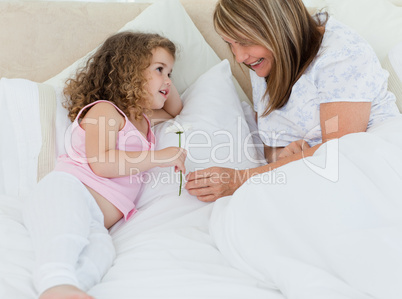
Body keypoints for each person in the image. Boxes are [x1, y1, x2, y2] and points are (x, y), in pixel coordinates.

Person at [22, 31, 186, 299]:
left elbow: (172, 110)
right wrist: (158, 157)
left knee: (102, 251)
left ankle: (75, 289)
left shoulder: (144, 120)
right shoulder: (106, 111)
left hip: (97, 220)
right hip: (67, 190)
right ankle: (55, 283)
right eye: (159, 69)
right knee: (64, 236)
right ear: (130, 71)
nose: (168, 79)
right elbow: (101, 163)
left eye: (171, 73)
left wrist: (164, 80)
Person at [185, 0, 400, 202]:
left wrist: (240, 180)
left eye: (244, 42)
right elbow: (270, 146)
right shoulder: (264, 61)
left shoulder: (341, 56)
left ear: (278, 27)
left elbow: (340, 153)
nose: (239, 57)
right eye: (230, 43)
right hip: (310, 174)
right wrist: (283, 155)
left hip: (366, 170)